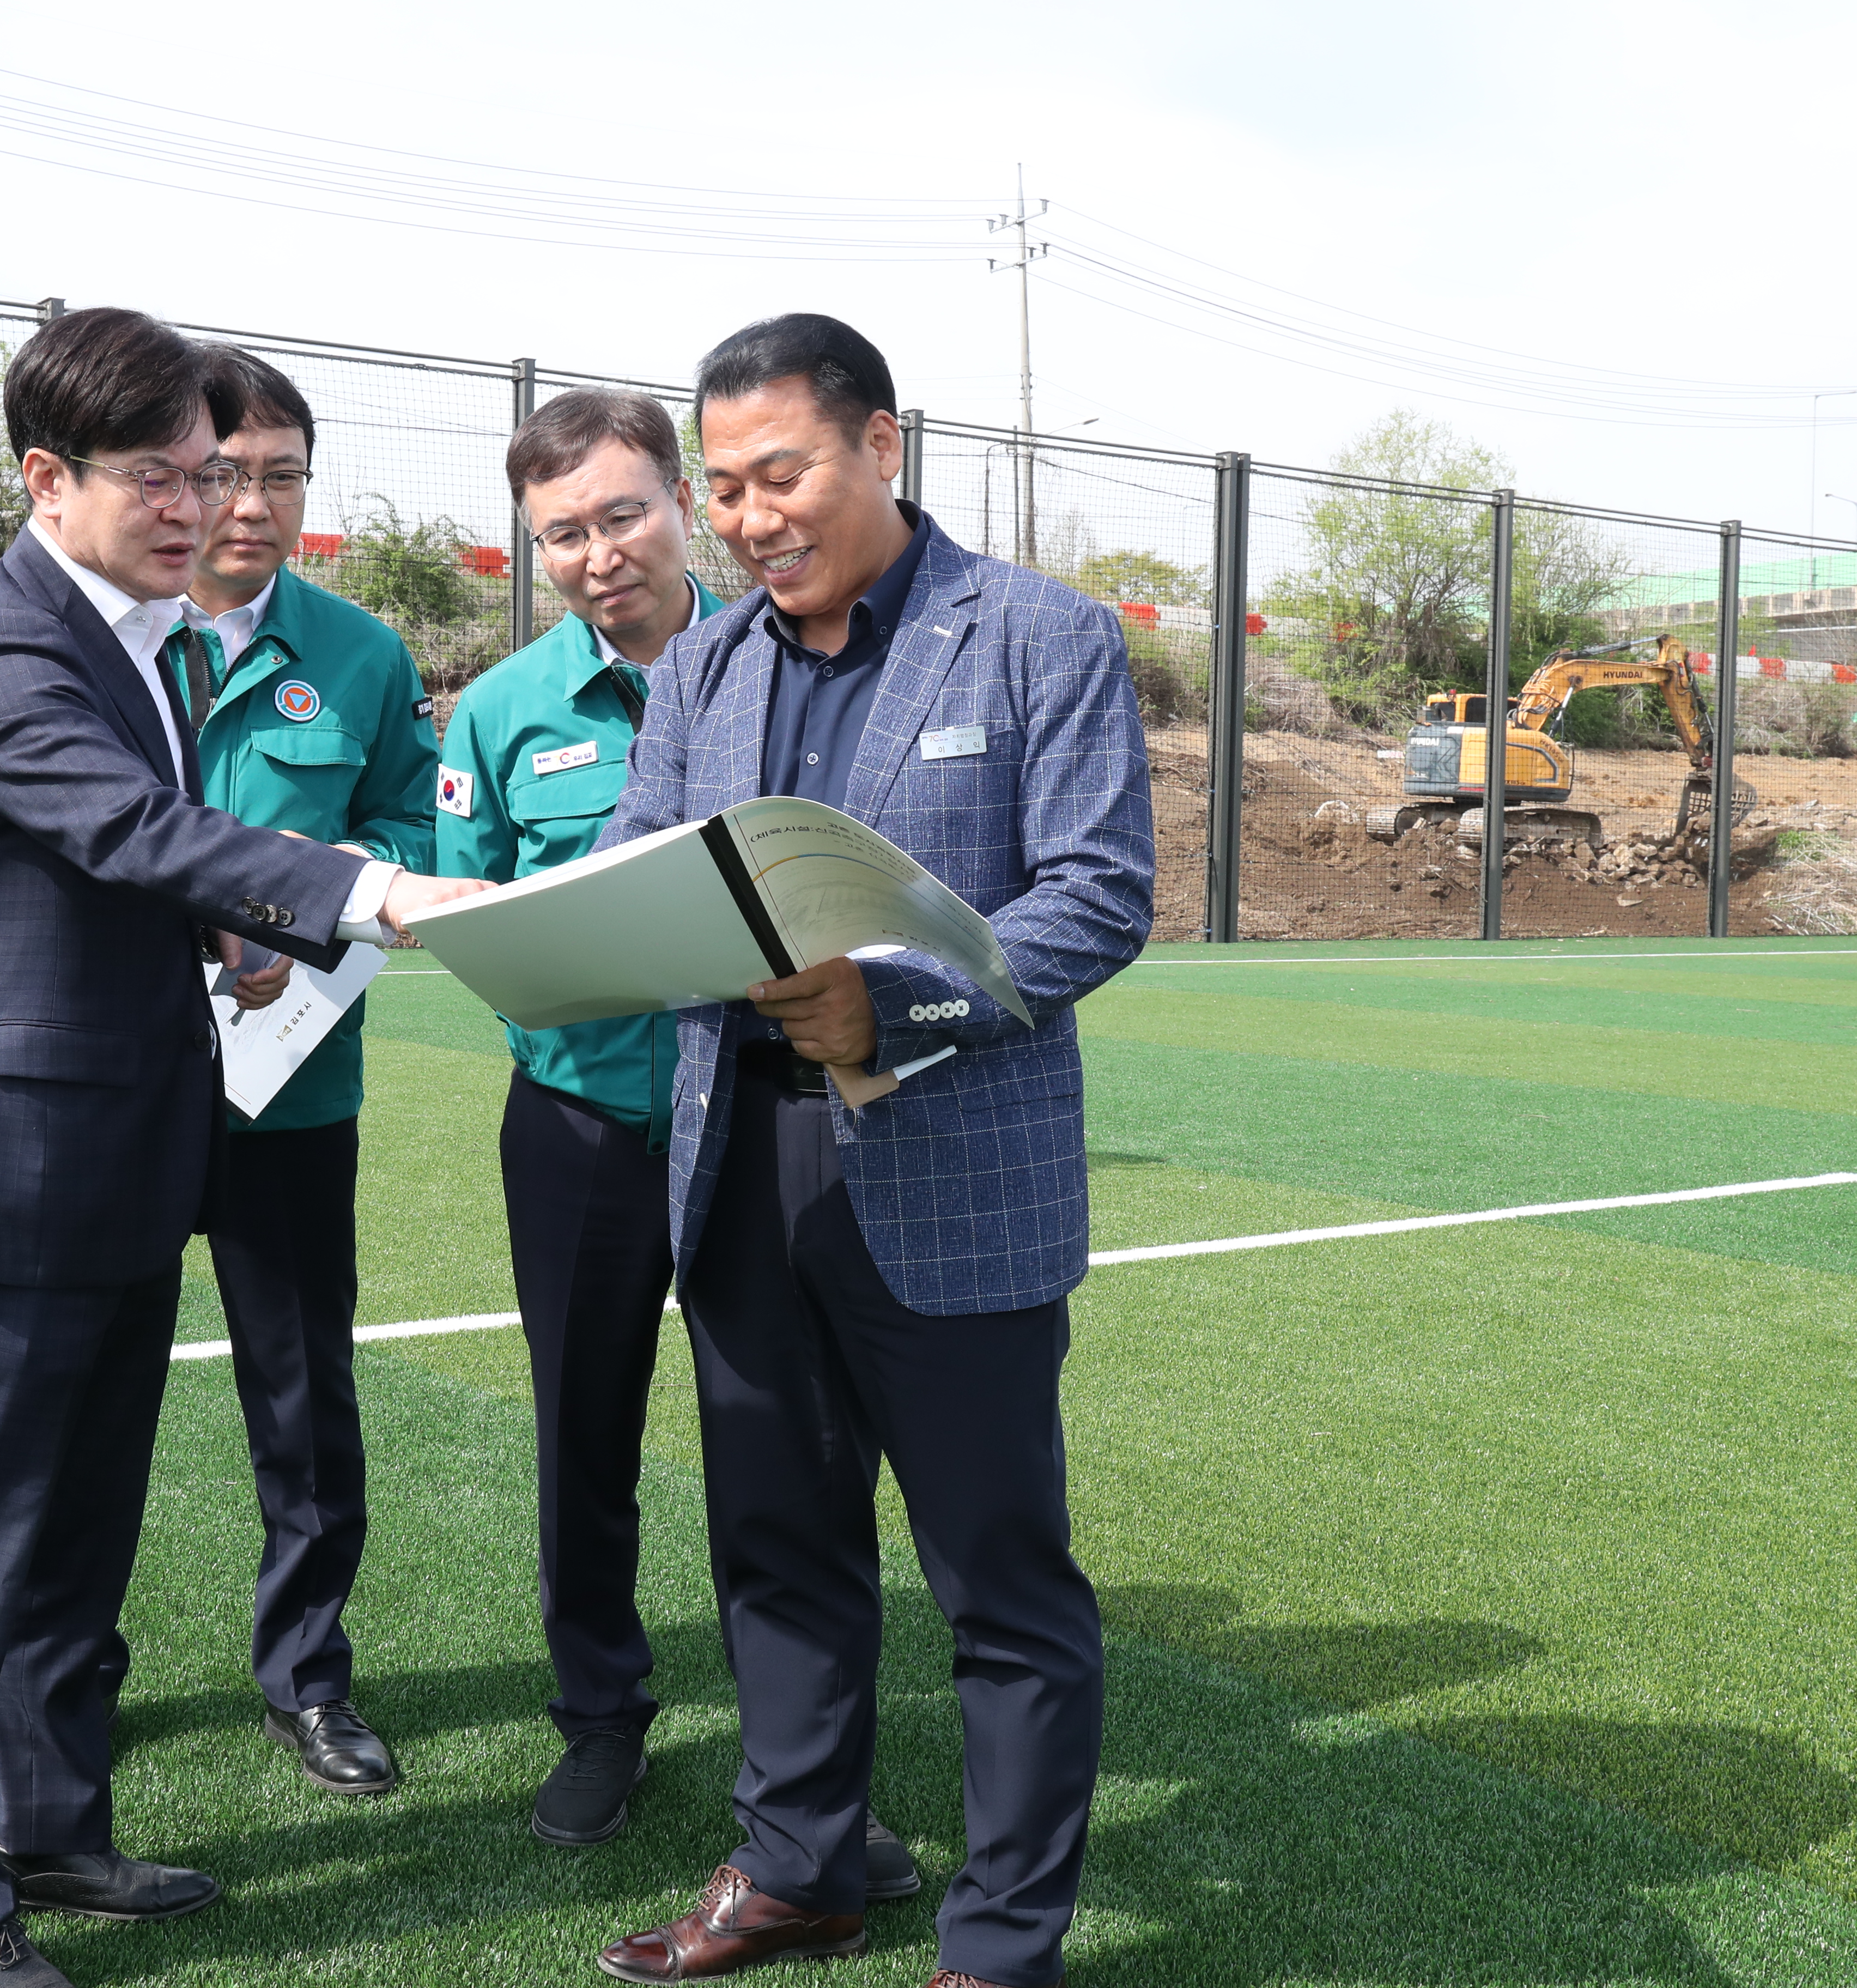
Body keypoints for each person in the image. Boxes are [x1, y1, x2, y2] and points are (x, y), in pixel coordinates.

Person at [0, 307, 484, 1988]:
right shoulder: (6, 652)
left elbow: (110, 870)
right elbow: (134, 827)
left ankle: (50, 1827)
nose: (199, 507)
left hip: (123, 1164)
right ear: (45, 477)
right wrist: (371, 890)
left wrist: (221, 933)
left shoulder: (129, 634)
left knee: (78, 1538)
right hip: (7, 1183)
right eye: (159, 477)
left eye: (211, 474)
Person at [586, 316, 1152, 1988]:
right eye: (725, 488)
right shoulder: (702, 668)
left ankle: (1001, 1943)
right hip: (740, 1167)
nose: (751, 519)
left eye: (783, 475)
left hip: (948, 1170)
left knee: (1000, 1582)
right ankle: (801, 1868)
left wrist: (890, 1006)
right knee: (777, 1549)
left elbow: (1097, 894)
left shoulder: (1040, 635)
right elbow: (640, 858)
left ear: (882, 446)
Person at [436, 388, 919, 1897]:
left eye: (622, 513)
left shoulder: (787, 662)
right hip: (582, 1125)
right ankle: (601, 1716)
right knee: (583, 1434)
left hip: (763, 1122)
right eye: (560, 534)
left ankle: (807, 1780)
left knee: (781, 1449)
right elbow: (474, 913)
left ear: (681, 506)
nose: (598, 554)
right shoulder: (500, 712)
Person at [172, 347, 440, 1796]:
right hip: (125, 1089)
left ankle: (309, 1680)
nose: (254, 505)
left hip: (292, 1086)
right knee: (85, 1400)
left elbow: (418, 837)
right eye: (225, 474)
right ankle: (63, 1678)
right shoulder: (106, 638)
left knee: (302, 1399)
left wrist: (316, 906)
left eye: (283, 476)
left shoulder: (361, 655)